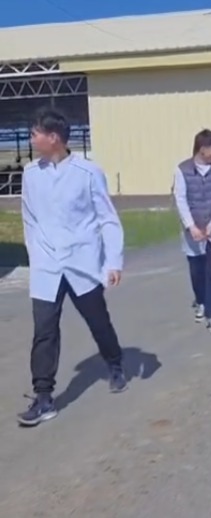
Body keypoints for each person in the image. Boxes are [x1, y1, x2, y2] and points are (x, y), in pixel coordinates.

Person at [18, 108, 126, 427]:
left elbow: (107, 218)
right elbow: (29, 219)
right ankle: (43, 396)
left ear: (53, 138)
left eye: (35, 133)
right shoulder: (30, 173)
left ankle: (115, 363)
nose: (32, 139)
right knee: (44, 331)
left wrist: (113, 261)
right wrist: (36, 254)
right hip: (46, 266)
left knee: (98, 322)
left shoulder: (87, 172)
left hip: (82, 263)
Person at [173, 129, 211, 333]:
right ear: (202, 149)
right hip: (193, 228)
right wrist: (191, 226)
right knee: (197, 269)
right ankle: (201, 301)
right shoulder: (183, 170)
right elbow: (180, 199)